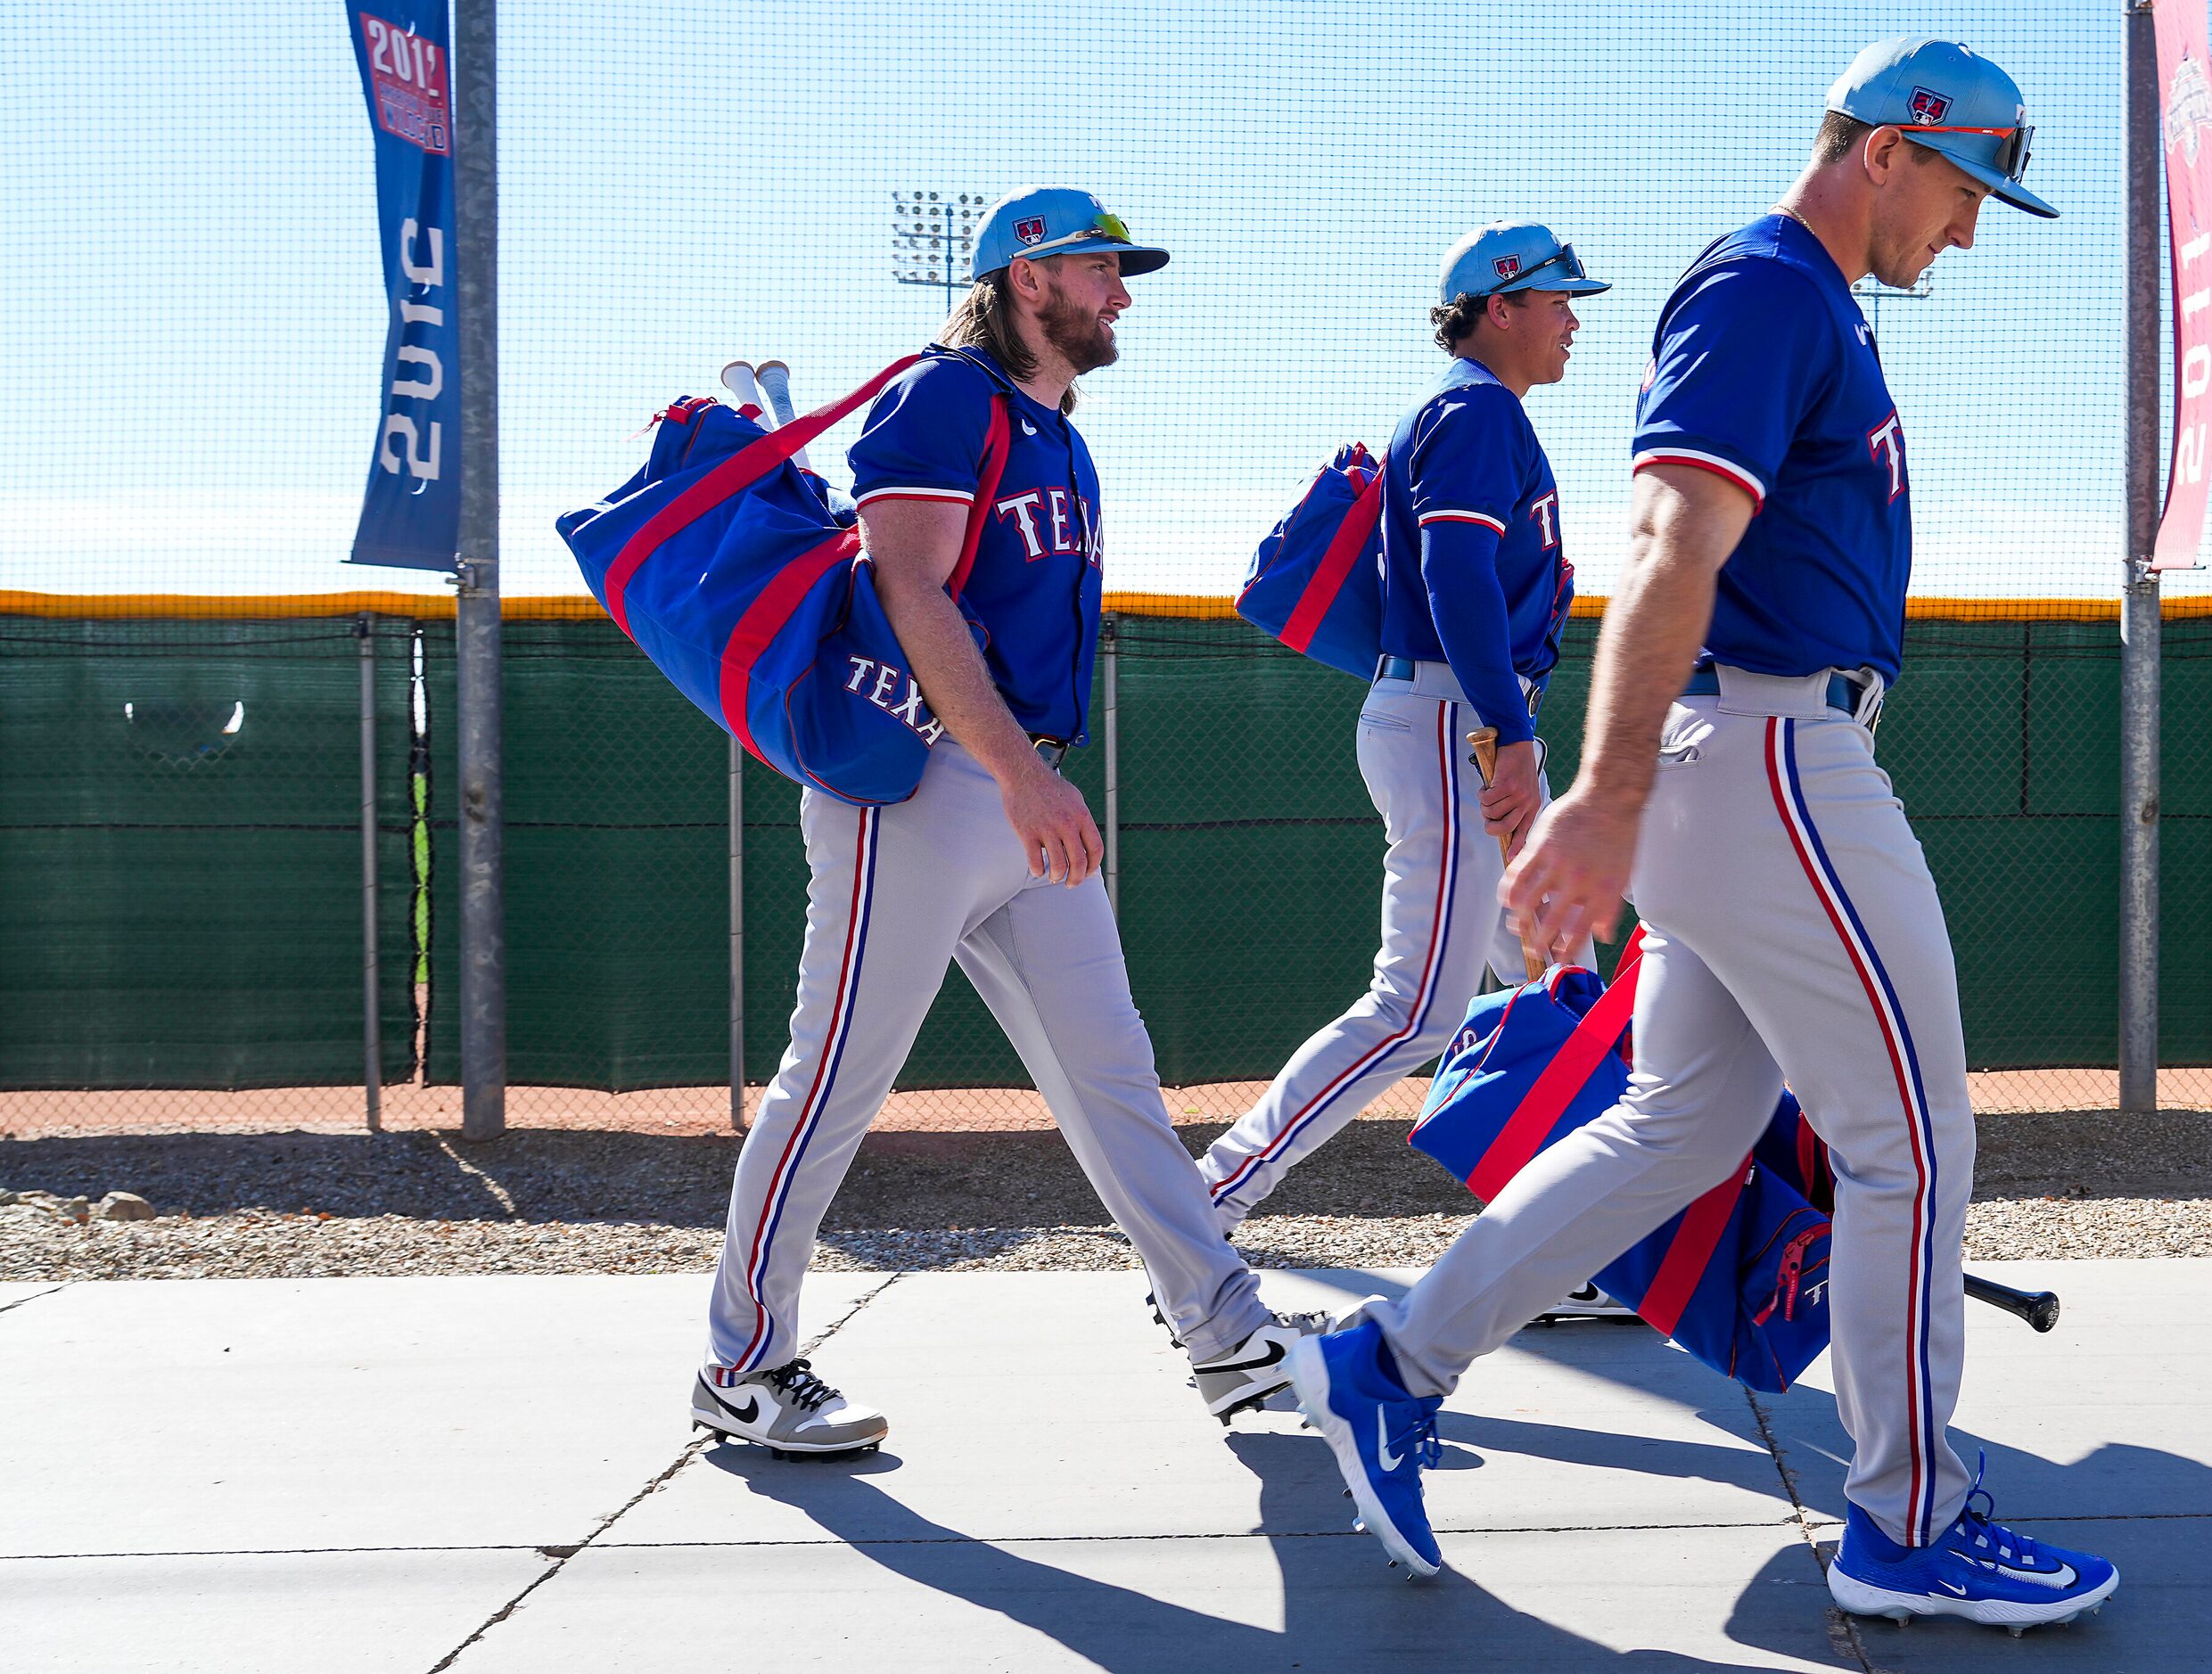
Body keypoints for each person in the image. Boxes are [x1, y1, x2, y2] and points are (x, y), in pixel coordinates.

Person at [1284, 41, 2122, 1635]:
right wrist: (1596, 798)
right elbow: (1670, 532)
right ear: (1884, 150)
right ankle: (1909, 1522)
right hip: (1767, 752)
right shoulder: (1769, 286)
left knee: (1678, 1122)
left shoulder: (1806, 300)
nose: (1967, 229)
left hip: (1744, 749)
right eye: (1963, 188)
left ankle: (1387, 1362)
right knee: (1915, 1143)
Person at [694, 186, 1324, 1456]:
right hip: (917, 789)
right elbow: (906, 586)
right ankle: (741, 1364)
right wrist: (1018, 774)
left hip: (1020, 788)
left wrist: (1032, 776)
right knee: (832, 1084)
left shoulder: (1059, 436)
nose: (1120, 294)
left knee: (1114, 1077)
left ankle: (1228, 1334)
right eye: (1100, 271)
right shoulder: (939, 396)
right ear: (1027, 281)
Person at [1193, 224, 1608, 1275]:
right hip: (1454, 719)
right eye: (1557, 299)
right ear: (1497, 307)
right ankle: (1207, 1196)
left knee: (1559, 985)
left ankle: (1576, 1245)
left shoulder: (1487, 415)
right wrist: (1505, 735)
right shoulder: (1471, 411)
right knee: (1418, 1005)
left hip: (1463, 714)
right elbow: (1454, 578)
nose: (1573, 319)